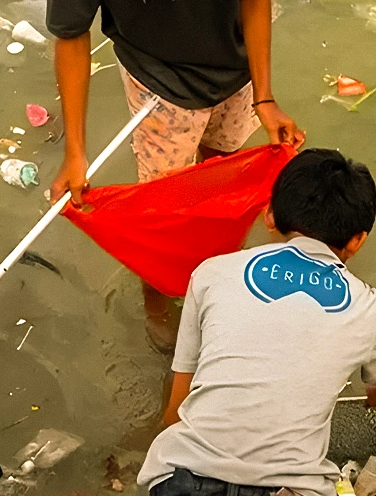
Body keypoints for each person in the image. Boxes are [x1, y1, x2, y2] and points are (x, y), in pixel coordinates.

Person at [136, 149, 376, 496]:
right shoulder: (368, 308)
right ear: (358, 240)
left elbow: (173, 413)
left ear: (270, 215)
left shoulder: (211, 274)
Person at [46, 0, 306, 350]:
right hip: (160, 86)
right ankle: (157, 302)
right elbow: (71, 33)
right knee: (162, 212)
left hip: (239, 70)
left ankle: (218, 270)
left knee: (226, 176)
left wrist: (264, 97)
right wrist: (75, 152)